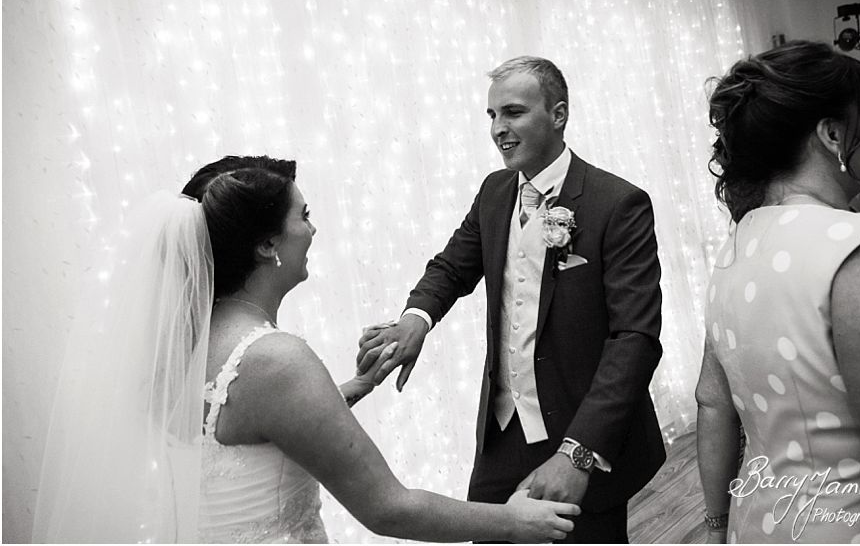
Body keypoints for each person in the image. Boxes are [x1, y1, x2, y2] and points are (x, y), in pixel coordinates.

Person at [32, 155, 580, 543]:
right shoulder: (275, 359)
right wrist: (514, 523)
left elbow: (242, 432)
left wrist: (353, 388)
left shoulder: (179, 344)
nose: (313, 230)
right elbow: (388, 509)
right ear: (268, 244)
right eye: (304, 216)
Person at [357, 56, 666, 542]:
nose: (499, 128)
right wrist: (415, 318)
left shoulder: (617, 203)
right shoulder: (495, 192)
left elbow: (636, 338)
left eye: (514, 113)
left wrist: (577, 452)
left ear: (558, 114)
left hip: (582, 435)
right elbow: (452, 266)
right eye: (492, 116)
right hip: (502, 433)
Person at [696, 40, 860, 543]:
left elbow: (711, 402)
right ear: (833, 134)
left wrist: (716, 524)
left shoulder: (735, 248)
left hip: (760, 524)